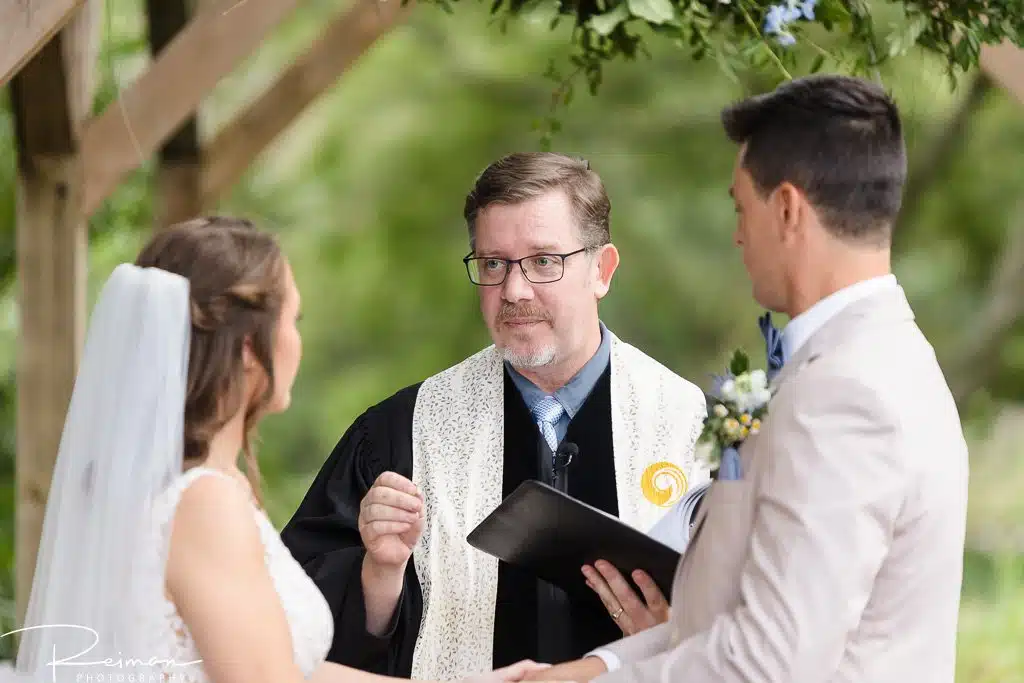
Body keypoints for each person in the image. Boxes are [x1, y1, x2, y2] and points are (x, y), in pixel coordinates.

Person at [527, 74, 970, 683]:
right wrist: (593, 665)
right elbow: (754, 613)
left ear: (786, 209)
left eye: (742, 207)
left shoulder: (847, 395)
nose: (738, 234)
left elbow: (769, 662)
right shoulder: (878, 360)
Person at [13, 217, 555, 683]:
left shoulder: (207, 488)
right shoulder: (204, 504)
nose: (298, 340)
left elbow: (285, 666)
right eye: (292, 321)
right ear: (250, 349)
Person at [280, 152, 711, 682]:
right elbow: (286, 638)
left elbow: (766, 620)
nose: (514, 291)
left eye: (544, 261)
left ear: (601, 271)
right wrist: (379, 575)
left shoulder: (694, 426)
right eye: (493, 264)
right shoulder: (403, 433)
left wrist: (682, 632)